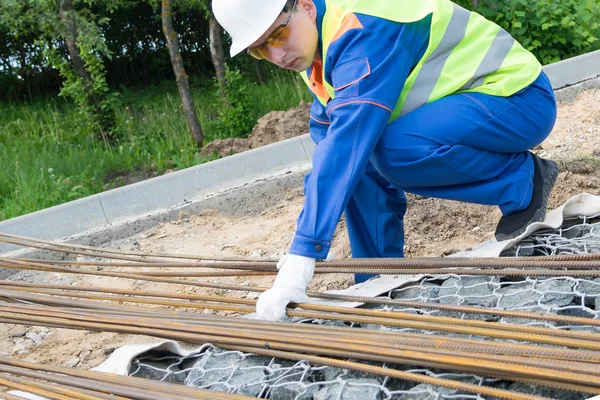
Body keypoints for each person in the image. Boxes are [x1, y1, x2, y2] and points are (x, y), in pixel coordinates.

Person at [212, 0, 558, 321]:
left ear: (304, 6)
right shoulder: (318, 43)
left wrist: (305, 252)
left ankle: (523, 180)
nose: (276, 53)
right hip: (471, 106)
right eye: (260, 49)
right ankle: (379, 275)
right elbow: (331, 146)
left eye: (278, 33)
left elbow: (348, 140)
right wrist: (313, 228)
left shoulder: (363, 27)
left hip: (518, 99)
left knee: (389, 150)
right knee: (359, 159)